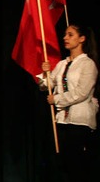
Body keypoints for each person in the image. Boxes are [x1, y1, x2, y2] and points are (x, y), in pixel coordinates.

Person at [39, 24, 99, 182]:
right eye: (65, 34)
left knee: (77, 165)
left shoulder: (88, 64)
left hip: (79, 121)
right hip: (62, 121)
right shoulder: (62, 64)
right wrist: (45, 73)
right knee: (63, 165)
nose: (65, 38)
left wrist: (56, 99)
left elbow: (81, 93)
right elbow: (46, 86)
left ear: (82, 39)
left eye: (70, 35)